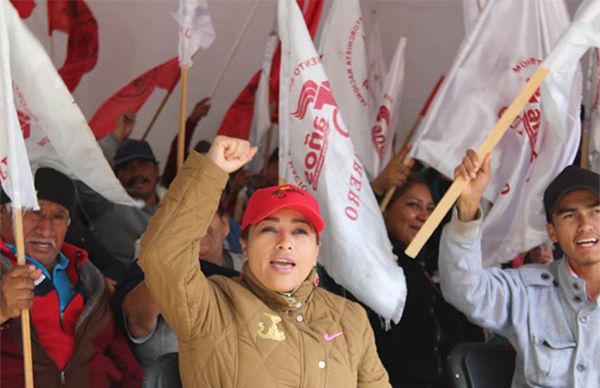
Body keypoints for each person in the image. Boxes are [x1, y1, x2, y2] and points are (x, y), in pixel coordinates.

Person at [138, 135, 391, 387]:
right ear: (245, 245)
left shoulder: (350, 318)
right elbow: (163, 255)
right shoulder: (210, 306)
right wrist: (211, 171)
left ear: (317, 249)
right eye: (269, 229)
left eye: (300, 231)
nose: (285, 242)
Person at [439, 150, 600, 387]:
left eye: (596, 212)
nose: (585, 225)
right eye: (570, 216)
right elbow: (465, 291)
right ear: (552, 233)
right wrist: (468, 209)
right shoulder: (527, 291)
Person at [0, 167, 142, 387]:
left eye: (58, 216)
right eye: (33, 211)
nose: (46, 229)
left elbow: (123, 361)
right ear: (2, 213)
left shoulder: (90, 280)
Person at [373, 176, 482, 387]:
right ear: (385, 209)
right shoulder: (372, 271)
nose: (423, 216)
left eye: (430, 209)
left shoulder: (429, 269)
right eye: (413, 205)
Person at [78, 137, 166, 266]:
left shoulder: (175, 208)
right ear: (116, 175)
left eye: (142, 164)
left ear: (157, 169)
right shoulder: (106, 204)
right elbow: (83, 164)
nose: (136, 173)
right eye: (126, 168)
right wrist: (114, 138)